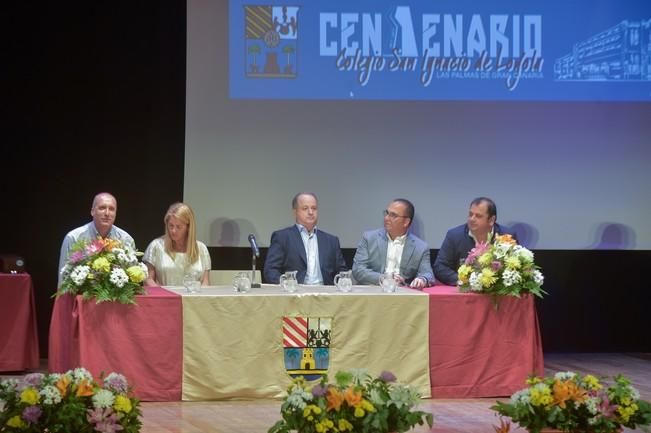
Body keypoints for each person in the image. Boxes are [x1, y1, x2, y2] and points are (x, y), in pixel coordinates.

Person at [264, 192, 347, 285]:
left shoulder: (331, 241)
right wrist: (286, 283)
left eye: (314, 208)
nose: (311, 212)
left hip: (326, 293)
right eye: (305, 208)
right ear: (295, 212)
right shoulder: (282, 237)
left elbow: (342, 272)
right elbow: (270, 270)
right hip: (295, 294)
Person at [433, 197, 517, 286]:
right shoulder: (454, 235)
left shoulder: (507, 237)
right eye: (470, 214)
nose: (472, 219)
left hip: (495, 291)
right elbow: (440, 267)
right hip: (465, 292)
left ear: (491, 220)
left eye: (478, 216)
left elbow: (516, 267)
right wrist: (466, 282)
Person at [352, 198, 433, 289]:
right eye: (387, 213)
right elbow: (358, 269)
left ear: (406, 222)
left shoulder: (420, 247)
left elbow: (427, 274)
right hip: (373, 290)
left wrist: (422, 279)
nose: (386, 218)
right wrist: (384, 278)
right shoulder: (369, 238)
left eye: (393, 215)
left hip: (403, 294)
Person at [58, 192, 134, 286]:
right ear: (92, 211)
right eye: (102, 208)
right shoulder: (73, 238)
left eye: (111, 209)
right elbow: (63, 281)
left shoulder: (126, 239)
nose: (107, 213)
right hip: (81, 298)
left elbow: (131, 283)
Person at [143, 202, 211, 286]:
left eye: (178, 227)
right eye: (171, 226)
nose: (173, 231)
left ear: (188, 227)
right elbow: (148, 280)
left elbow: (205, 282)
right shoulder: (156, 246)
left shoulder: (201, 248)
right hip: (165, 297)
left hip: (193, 298)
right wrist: (163, 296)